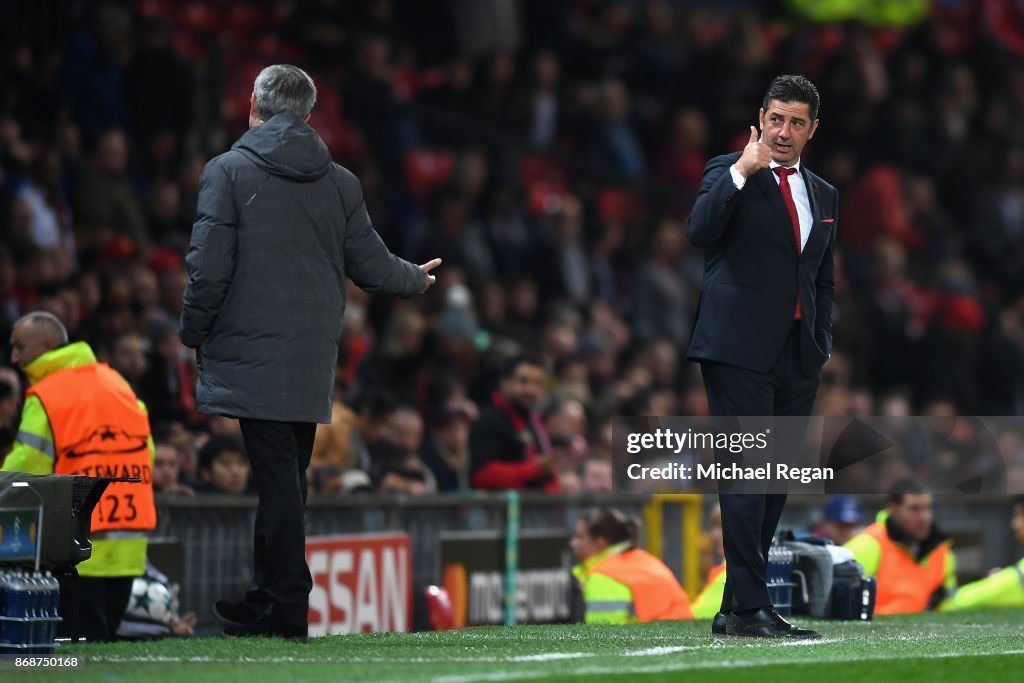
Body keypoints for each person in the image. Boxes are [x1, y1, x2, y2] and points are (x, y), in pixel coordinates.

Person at [179, 64, 439, 639]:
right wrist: (414, 280)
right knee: (286, 479)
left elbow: (207, 267)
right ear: (309, 113)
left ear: (254, 104)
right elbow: (371, 263)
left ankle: (288, 605)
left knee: (279, 481)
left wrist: (193, 330)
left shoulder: (227, 171)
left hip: (249, 352)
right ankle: (267, 598)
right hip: (310, 355)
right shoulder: (340, 181)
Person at [686, 75, 837, 638]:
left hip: (797, 357)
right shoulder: (729, 170)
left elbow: (822, 278)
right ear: (761, 117)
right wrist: (742, 171)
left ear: (811, 130)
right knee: (748, 476)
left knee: (773, 482)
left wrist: (821, 340)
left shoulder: (824, 194)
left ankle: (737, 606)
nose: (783, 131)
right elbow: (699, 231)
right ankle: (751, 609)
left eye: (796, 122)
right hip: (737, 350)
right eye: (776, 119)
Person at [2, 311, 156, 642]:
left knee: (76, 655)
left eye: (19, 347)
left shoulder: (48, 395)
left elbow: (26, 466)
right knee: (105, 652)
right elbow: (148, 453)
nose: (13, 357)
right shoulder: (118, 384)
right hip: (127, 546)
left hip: (77, 547)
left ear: (46, 344)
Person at [844, 479, 956, 615]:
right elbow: (842, 603)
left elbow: (948, 605)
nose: (924, 517)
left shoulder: (941, 551)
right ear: (892, 509)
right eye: (914, 509)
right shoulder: (867, 546)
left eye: (927, 508)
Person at [570, 507, 693, 624]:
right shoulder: (645, 560)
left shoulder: (603, 577)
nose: (573, 543)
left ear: (600, 542)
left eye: (579, 537)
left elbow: (604, 639)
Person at [469, 353, 560, 492]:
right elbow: (481, 475)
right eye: (523, 381)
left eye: (538, 383)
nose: (531, 390)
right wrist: (534, 469)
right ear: (505, 383)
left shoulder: (534, 421)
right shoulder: (489, 421)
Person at [940, 495, 1024, 610]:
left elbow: (955, 602)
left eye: (1018, 516)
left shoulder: (1016, 579)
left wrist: (996, 581)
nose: (1013, 524)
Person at [692, 505, 727, 620]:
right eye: (714, 527)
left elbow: (697, 613)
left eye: (721, 526)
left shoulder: (731, 571)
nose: (713, 535)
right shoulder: (725, 567)